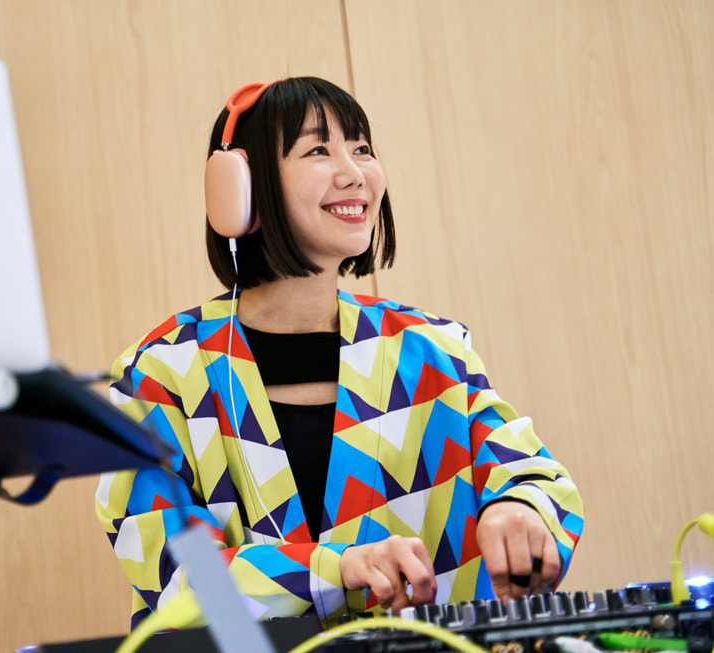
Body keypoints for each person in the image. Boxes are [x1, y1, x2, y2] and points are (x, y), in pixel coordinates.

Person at [95, 77, 583, 629]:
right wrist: (337, 569)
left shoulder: (434, 350)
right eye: (318, 150)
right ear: (241, 187)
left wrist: (520, 510)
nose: (355, 173)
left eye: (362, 148)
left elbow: (537, 479)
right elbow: (177, 577)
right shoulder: (160, 373)